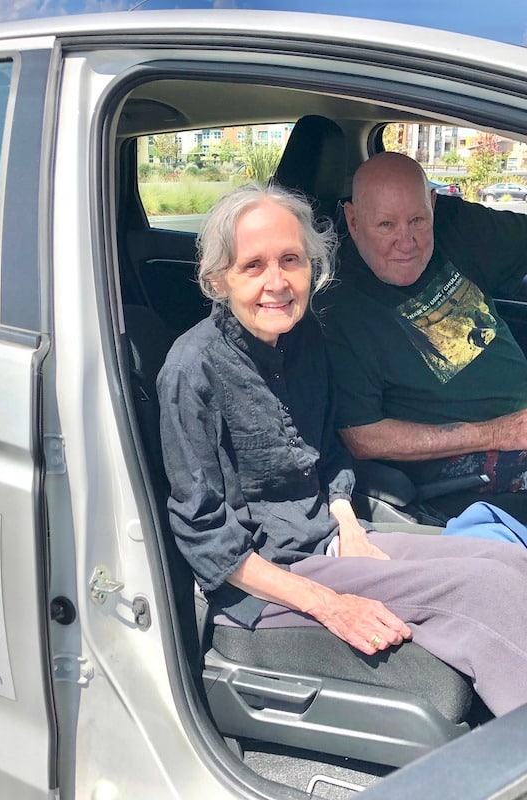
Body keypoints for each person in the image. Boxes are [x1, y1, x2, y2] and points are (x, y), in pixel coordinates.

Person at [157, 181, 527, 717]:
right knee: (483, 591)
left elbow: (328, 456)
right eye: (253, 266)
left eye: (290, 260)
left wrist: (349, 527)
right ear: (217, 279)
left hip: (330, 540)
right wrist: (331, 606)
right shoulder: (192, 371)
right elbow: (206, 537)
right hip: (269, 578)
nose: (277, 283)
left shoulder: (304, 339)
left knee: (507, 561)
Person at [318, 152, 527, 514]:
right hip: (464, 466)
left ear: (433, 204)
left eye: (417, 220)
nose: (406, 241)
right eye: (385, 225)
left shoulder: (458, 228)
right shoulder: (338, 307)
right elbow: (363, 437)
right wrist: (496, 433)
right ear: (352, 220)